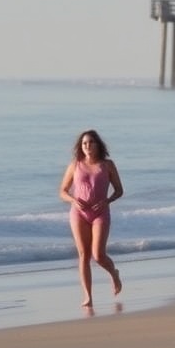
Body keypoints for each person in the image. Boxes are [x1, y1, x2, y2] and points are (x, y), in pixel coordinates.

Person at [59, 129, 124, 308]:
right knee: (83, 255)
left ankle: (114, 273)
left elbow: (119, 190)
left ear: (97, 145)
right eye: (84, 143)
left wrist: (107, 201)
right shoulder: (75, 165)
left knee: (98, 254)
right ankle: (88, 296)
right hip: (78, 213)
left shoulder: (107, 165)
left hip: (100, 213)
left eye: (90, 142)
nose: (87, 146)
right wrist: (73, 199)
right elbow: (62, 191)